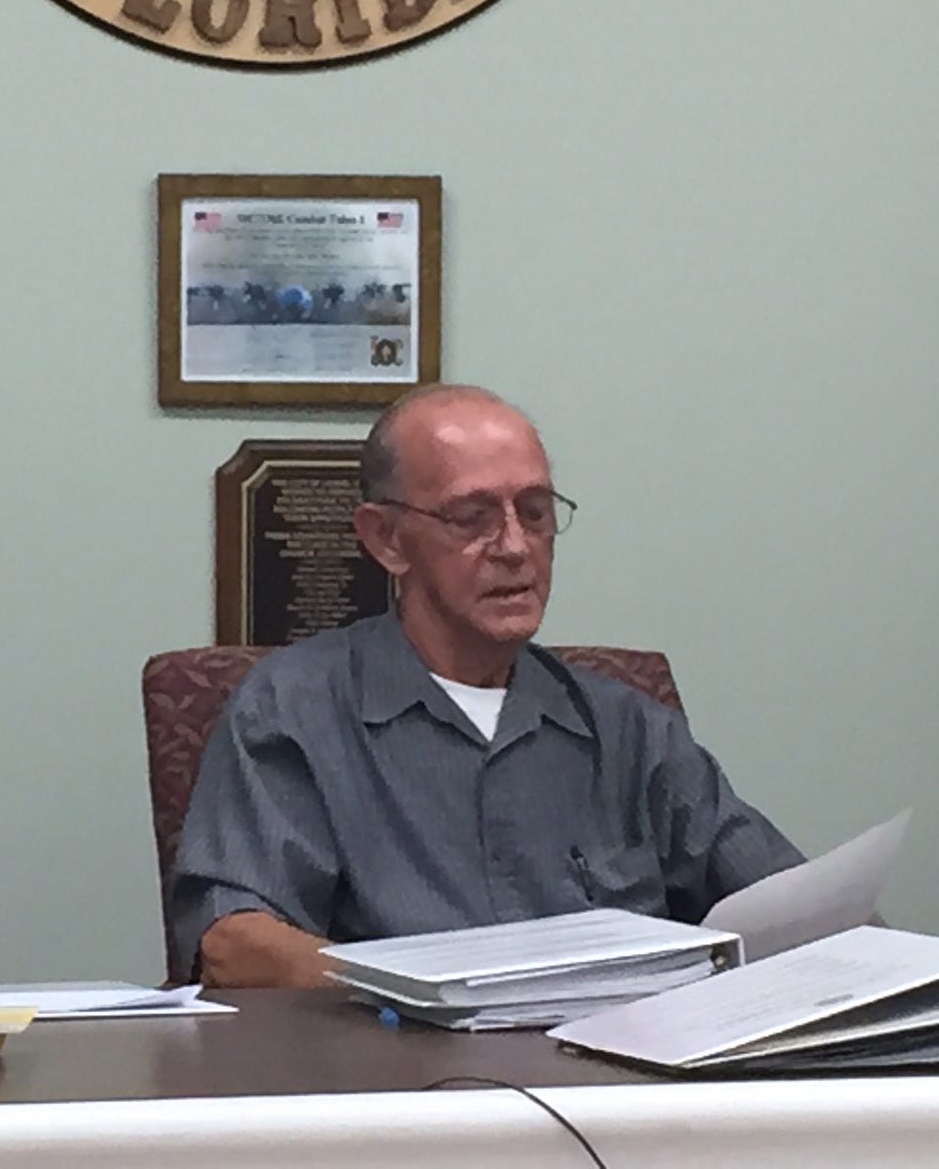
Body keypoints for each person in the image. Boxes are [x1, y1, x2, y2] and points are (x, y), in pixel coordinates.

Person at [168, 384, 803, 987]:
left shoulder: (629, 727)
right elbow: (235, 942)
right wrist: (419, 993)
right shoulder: (294, 708)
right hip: (403, 1079)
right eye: (472, 517)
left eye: (535, 512)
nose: (515, 547)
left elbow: (789, 905)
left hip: (615, 1082)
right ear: (386, 539)